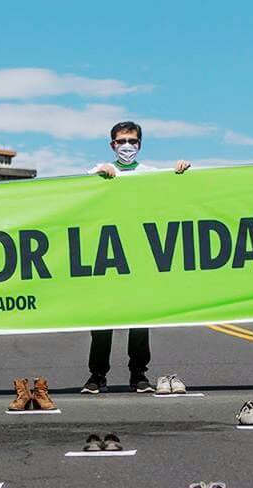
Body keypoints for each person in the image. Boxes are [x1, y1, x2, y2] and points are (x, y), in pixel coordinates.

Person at [81, 121, 191, 394]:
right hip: (107, 254)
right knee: (102, 319)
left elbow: (179, 193)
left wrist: (182, 171)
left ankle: (139, 374)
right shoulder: (100, 171)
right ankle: (97, 375)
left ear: (140, 144)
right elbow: (79, 195)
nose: (127, 146)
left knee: (140, 319)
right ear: (112, 145)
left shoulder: (150, 174)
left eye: (132, 141)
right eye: (121, 141)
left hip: (139, 254)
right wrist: (98, 174)